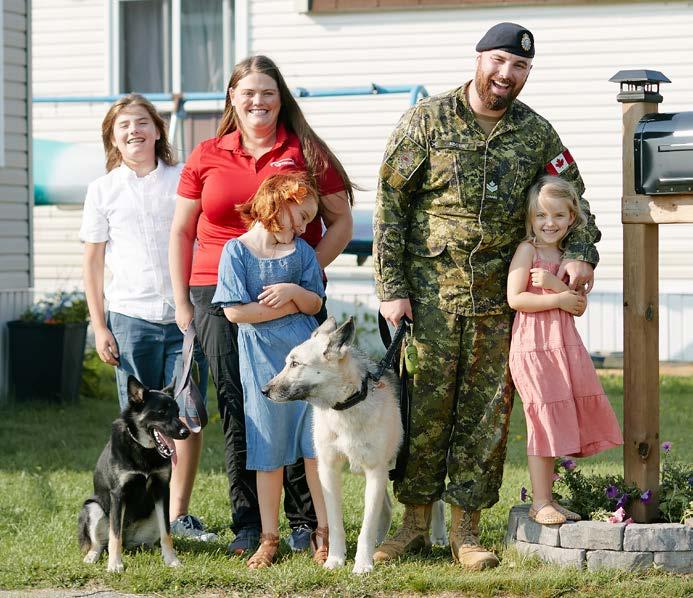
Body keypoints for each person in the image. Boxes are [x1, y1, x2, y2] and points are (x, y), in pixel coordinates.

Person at [372, 22, 602, 569]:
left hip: (502, 303)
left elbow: (576, 197)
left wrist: (580, 253)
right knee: (423, 412)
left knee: (485, 417)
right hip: (429, 298)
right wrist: (392, 289)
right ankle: (413, 526)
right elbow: (390, 207)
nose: (507, 73)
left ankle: (467, 532)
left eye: (519, 66)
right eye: (499, 61)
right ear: (478, 59)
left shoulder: (536, 133)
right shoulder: (426, 121)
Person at [169, 55, 354, 556]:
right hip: (218, 291)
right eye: (248, 92)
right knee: (239, 405)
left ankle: (306, 523)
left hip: (294, 300)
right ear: (232, 97)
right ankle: (251, 526)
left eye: (268, 92)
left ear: (281, 98)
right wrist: (182, 301)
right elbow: (182, 230)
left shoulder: (306, 151)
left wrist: (301, 273)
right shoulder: (207, 153)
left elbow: (340, 222)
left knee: (302, 401)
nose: (258, 101)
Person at [80, 94, 216, 542]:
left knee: (187, 415)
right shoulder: (102, 190)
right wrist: (100, 326)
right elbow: (92, 263)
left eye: (142, 122)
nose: (133, 130)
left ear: (158, 130)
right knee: (141, 422)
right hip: (130, 318)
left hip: (184, 316)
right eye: (123, 125)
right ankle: (139, 521)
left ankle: (177, 515)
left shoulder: (182, 178)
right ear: (112, 138)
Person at [211, 172, 329, 568]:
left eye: (309, 220)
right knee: (268, 453)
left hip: (307, 367)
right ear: (276, 204)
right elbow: (235, 312)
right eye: (301, 216)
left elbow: (315, 304)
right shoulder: (236, 252)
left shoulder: (302, 253)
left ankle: (325, 532)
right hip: (262, 363)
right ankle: (269, 537)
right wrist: (288, 306)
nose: (304, 226)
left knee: (315, 450)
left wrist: (294, 293)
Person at [507, 176, 623, 525]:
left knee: (556, 420)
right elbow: (516, 298)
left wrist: (557, 287)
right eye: (541, 215)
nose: (549, 223)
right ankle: (539, 502)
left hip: (562, 346)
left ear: (571, 217)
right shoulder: (527, 251)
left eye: (558, 215)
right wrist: (557, 297)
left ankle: (549, 499)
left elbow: (577, 306)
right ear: (531, 218)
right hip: (533, 346)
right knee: (542, 420)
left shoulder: (569, 258)